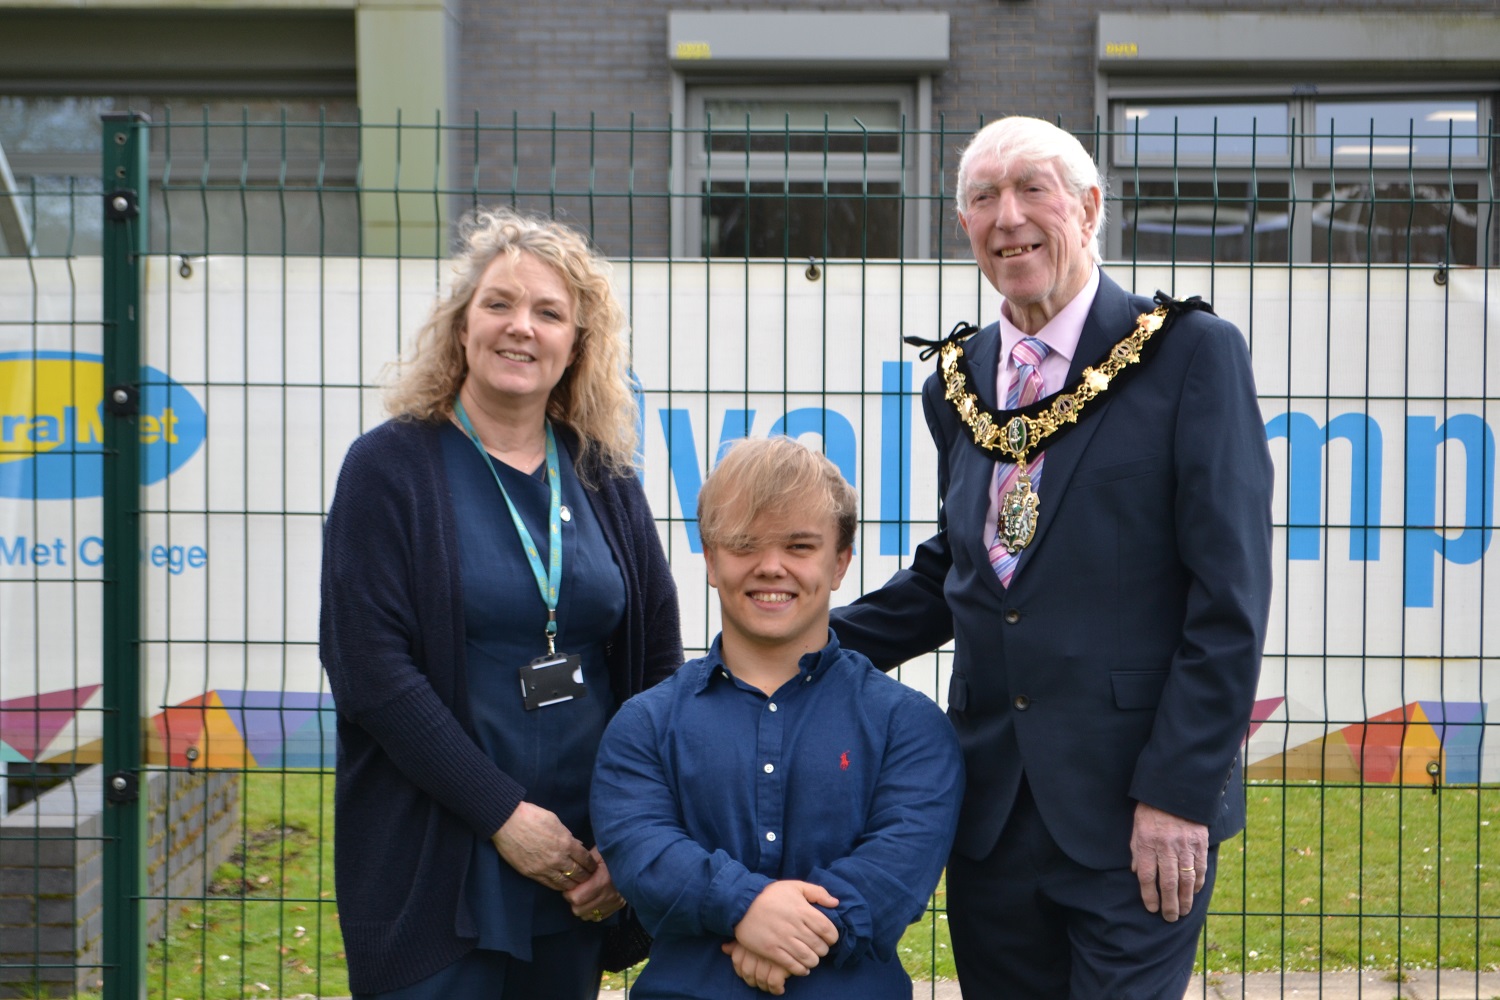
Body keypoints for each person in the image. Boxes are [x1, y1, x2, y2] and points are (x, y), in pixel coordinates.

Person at [830, 116, 1274, 998]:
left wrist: (1179, 794)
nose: (1009, 217)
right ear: (964, 228)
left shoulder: (1189, 355)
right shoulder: (955, 382)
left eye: (1034, 188)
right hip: (992, 816)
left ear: (1090, 207)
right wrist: (802, 643)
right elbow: (964, 568)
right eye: (984, 198)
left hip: (1136, 815)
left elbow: (1229, 598)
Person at [319, 207, 682, 998]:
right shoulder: (389, 469)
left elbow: (656, 660)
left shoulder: (604, 474)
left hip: (579, 867)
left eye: (549, 313)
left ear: (577, 343)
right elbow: (371, 672)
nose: (522, 328)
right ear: (461, 325)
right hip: (440, 864)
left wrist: (630, 833)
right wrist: (503, 817)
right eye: (499, 304)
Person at [591, 436, 963, 998]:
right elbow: (644, 854)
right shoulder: (644, 726)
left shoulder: (908, 727)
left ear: (840, 563)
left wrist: (788, 932)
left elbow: (895, 873)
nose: (771, 567)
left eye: (799, 546)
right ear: (711, 560)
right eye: (744, 544)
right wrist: (746, 906)